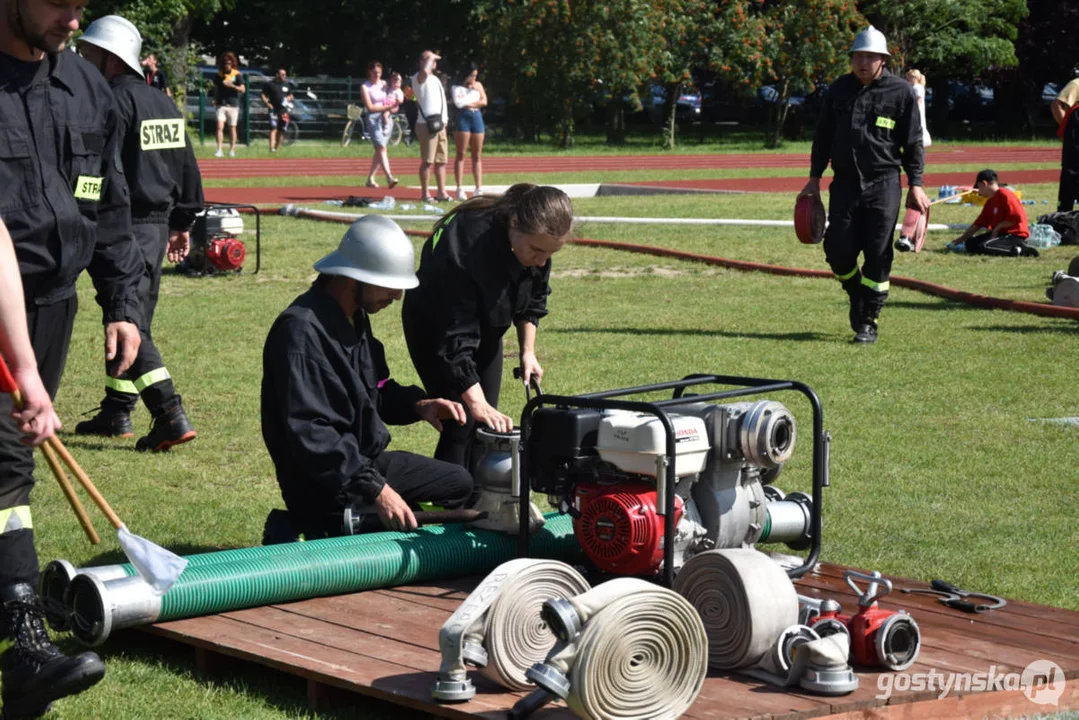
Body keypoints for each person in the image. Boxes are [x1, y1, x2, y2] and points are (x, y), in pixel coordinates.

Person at [0, 0, 148, 712]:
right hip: (1, 302)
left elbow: (106, 200)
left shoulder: (86, 87)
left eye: (81, 5)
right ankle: (24, 642)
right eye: (58, 4)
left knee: (14, 463)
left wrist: (123, 304)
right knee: (5, 461)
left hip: (52, 304)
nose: (72, 20)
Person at [261, 216, 473, 541]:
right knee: (412, 521)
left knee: (459, 484)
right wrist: (379, 491)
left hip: (362, 467)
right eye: (389, 285)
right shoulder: (300, 333)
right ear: (353, 279)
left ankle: (363, 524)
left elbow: (376, 389)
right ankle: (313, 526)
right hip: (326, 485)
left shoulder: (354, 317)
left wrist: (419, 405)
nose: (398, 297)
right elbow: (314, 435)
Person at [74, 15, 203, 451]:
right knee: (133, 313)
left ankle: (169, 412)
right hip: (158, 224)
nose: (81, 59)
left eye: (87, 52)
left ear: (109, 58)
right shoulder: (164, 103)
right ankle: (116, 410)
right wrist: (182, 223)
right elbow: (187, 167)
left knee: (127, 318)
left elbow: (101, 171)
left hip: (123, 225)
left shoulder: (109, 102)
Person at [401, 184, 573, 469]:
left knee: (484, 426)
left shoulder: (535, 243)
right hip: (434, 327)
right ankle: (448, 505)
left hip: (486, 326)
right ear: (514, 223)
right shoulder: (466, 248)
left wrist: (527, 352)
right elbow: (454, 339)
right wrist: (475, 402)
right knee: (462, 419)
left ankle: (480, 501)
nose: (542, 261)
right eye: (537, 251)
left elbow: (533, 299)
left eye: (549, 254)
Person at [799, 26, 928, 345]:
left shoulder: (901, 93)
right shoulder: (838, 90)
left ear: (882, 60)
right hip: (844, 184)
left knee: (877, 252)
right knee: (837, 248)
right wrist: (814, 180)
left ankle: (869, 320)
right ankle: (856, 291)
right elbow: (823, 138)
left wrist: (917, 184)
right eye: (858, 56)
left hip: (884, 185)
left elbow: (913, 143)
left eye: (870, 56)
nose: (863, 62)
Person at [948, 169, 1034, 256]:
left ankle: (1021, 249)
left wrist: (998, 227)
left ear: (984, 184)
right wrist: (962, 239)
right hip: (1000, 234)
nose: (979, 192)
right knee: (970, 244)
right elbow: (978, 223)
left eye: (979, 187)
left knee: (984, 246)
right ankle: (1010, 248)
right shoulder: (990, 201)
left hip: (1014, 235)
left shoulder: (1006, 195)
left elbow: (1016, 217)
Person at [412, 50, 450, 202]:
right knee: (428, 161)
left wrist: (445, 121)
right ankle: (425, 193)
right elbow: (424, 72)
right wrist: (431, 57)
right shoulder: (418, 78)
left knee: (441, 161)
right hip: (426, 125)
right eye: (429, 59)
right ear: (422, 62)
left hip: (439, 125)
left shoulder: (435, 79)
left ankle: (442, 192)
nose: (433, 62)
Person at [451, 63, 488, 200]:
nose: (474, 78)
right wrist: (473, 99)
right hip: (463, 117)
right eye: (472, 75)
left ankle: (478, 188)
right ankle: (460, 188)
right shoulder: (457, 87)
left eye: (475, 76)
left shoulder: (478, 85)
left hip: (476, 116)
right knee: (461, 153)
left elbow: (484, 101)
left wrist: (471, 103)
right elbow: (459, 103)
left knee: (477, 155)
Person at [360, 61, 399, 189]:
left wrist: (393, 107)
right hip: (373, 119)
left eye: (379, 72)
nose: (377, 75)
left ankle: (370, 178)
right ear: (369, 72)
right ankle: (389, 177)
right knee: (381, 147)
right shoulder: (365, 87)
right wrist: (386, 107)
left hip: (386, 118)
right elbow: (370, 107)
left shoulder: (385, 85)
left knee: (379, 150)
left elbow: (391, 99)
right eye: (374, 72)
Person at [1052, 74, 1079, 212]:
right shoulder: (1077, 84)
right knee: (1071, 179)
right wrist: (1066, 129)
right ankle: (1064, 219)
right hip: (1076, 137)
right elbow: (1057, 104)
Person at [212, 51, 245, 157]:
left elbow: (243, 89)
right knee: (219, 126)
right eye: (225, 63)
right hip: (221, 104)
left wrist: (232, 86)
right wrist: (214, 98)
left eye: (229, 63)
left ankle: (232, 150)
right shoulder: (219, 75)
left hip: (233, 105)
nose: (227, 65)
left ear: (232, 63)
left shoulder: (237, 74)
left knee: (232, 127)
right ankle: (219, 149)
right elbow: (216, 88)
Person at [261, 67, 294, 154]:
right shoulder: (270, 84)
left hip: (284, 111)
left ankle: (276, 150)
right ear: (277, 74)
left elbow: (291, 95)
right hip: (273, 110)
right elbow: (263, 95)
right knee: (273, 128)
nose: (284, 76)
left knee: (282, 130)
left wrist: (288, 98)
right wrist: (267, 104)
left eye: (285, 74)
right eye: (282, 74)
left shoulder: (287, 85)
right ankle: (271, 148)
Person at [905, 69, 931, 148]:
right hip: (915, 110)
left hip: (917, 110)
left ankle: (922, 141)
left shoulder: (918, 87)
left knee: (919, 125)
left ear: (914, 78)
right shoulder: (914, 87)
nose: (907, 79)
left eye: (909, 77)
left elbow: (918, 100)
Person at [384, 71, 405, 137]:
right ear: (391, 82)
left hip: (393, 106)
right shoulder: (391, 89)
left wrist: (398, 100)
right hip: (387, 104)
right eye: (394, 82)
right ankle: (385, 124)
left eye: (398, 83)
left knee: (385, 114)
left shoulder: (398, 91)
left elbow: (401, 100)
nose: (396, 84)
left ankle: (387, 127)